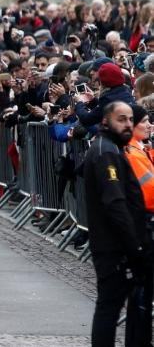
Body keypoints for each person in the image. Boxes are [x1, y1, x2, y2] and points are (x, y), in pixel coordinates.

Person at [84, 101, 152, 346]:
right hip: (113, 246)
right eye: (121, 119)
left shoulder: (111, 148)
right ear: (105, 121)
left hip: (118, 243)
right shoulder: (106, 152)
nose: (127, 124)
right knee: (109, 306)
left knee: (126, 304)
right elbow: (115, 203)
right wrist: (134, 247)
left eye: (130, 119)